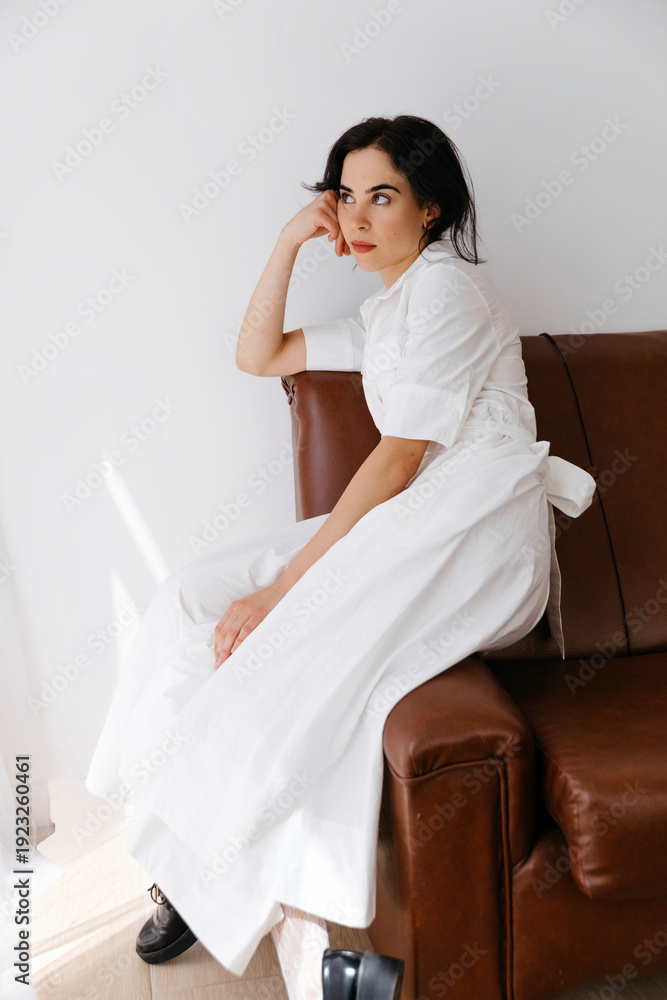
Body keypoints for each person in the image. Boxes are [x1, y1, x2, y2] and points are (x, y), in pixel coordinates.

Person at [85, 114, 595, 1000]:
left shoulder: (447, 293)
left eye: (381, 197)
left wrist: (286, 589)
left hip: (474, 533)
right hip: (420, 520)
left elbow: (397, 458)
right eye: (344, 196)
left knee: (285, 661)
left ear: (430, 209)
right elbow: (258, 356)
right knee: (190, 595)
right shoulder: (388, 308)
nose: (355, 217)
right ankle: (172, 841)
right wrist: (289, 240)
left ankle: (284, 928)